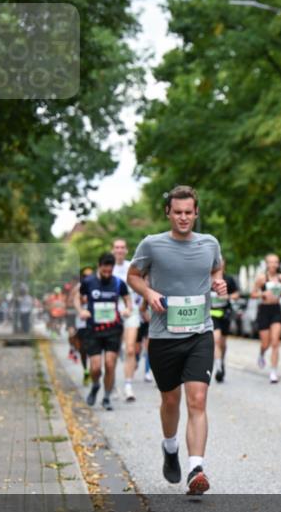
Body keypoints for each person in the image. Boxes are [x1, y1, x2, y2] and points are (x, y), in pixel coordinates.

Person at [128, 185, 226, 495]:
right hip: (163, 336)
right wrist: (149, 292)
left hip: (200, 333)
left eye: (189, 212)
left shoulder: (209, 243)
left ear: (196, 213)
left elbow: (217, 268)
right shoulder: (152, 245)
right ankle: (170, 447)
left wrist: (217, 282)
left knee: (197, 399)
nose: (183, 218)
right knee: (171, 400)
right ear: (168, 213)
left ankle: (196, 467)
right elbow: (133, 276)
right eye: (178, 212)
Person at [76, 253, 132, 411]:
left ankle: (106, 397)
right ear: (99, 266)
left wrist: (128, 309)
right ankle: (95, 386)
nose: (108, 273)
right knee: (95, 367)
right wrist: (81, 310)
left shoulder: (118, 283)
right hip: (93, 329)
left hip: (113, 329)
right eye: (105, 270)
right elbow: (77, 298)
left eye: (110, 270)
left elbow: (128, 299)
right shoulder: (88, 282)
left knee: (109, 364)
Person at [112, 239, 143, 402]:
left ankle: (128, 386)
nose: (119, 250)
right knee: (113, 352)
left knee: (130, 349)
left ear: (126, 250)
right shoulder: (107, 268)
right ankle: (112, 385)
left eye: (122, 247)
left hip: (131, 311)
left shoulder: (132, 266)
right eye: (117, 247)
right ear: (112, 250)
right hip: (111, 314)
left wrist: (134, 306)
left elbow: (140, 287)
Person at [252, 253, 281, 384]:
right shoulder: (261, 278)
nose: (273, 265)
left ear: (278, 264)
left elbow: (280, 292)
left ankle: (273, 372)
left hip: (276, 310)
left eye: (276, 262)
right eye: (271, 262)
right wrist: (262, 293)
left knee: (275, 342)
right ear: (267, 264)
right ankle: (261, 353)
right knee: (265, 343)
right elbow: (253, 294)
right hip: (264, 311)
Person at [209, 259, 240, 383]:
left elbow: (237, 294)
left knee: (222, 343)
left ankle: (221, 361)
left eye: (221, 262)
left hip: (225, 314)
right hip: (211, 314)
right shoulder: (208, 279)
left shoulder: (229, 279)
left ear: (224, 264)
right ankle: (218, 368)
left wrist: (228, 296)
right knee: (215, 340)